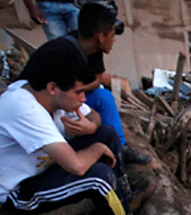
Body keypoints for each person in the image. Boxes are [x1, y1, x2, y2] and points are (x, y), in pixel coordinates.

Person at [0, 40, 157, 215]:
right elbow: (76, 166)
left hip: (45, 169)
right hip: (20, 192)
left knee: (107, 132)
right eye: (79, 92)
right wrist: (96, 149)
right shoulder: (24, 110)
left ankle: (124, 194)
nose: (84, 99)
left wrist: (92, 127)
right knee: (99, 176)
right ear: (53, 88)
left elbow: (94, 116)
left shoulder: (48, 94)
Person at [20, 2, 150, 165]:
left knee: (103, 96)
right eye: (112, 35)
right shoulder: (63, 53)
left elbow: (94, 83)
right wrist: (89, 87)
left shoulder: (92, 48)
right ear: (101, 37)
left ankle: (121, 147)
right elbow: (68, 90)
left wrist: (85, 98)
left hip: (64, 96)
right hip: (44, 105)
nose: (114, 40)